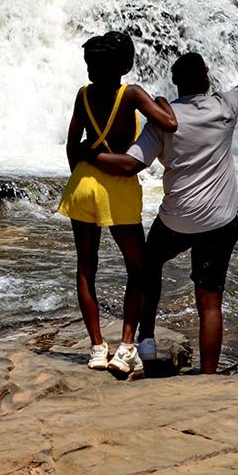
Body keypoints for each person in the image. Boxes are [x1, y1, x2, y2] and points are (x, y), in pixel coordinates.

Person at [137, 49, 238, 375]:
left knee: (148, 265)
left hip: (176, 219)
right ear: (207, 76)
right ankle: (209, 378)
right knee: (210, 303)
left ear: (175, 83)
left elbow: (136, 160)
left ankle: (145, 336)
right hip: (219, 222)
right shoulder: (225, 107)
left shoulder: (163, 117)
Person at [57, 30, 177, 378]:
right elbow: (169, 123)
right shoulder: (131, 94)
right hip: (118, 186)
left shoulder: (82, 95)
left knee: (86, 267)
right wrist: (163, 101)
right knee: (137, 268)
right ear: (125, 65)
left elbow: (72, 143)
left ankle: (96, 348)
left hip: (82, 183)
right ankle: (126, 347)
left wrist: (80, 173)